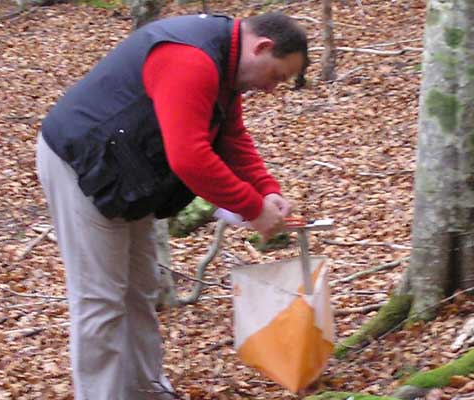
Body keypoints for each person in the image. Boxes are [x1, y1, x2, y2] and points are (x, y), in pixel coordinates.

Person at [34, 11, 309, 400]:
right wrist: (251, 208)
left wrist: (266, 190)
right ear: (262, 47)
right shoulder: (192, 58)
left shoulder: (226, 66)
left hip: (127, 170)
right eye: (277, 76)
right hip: (79, 163)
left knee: (140, 290)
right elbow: (190, 158)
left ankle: (146, 390)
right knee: (101, 298)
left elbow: (232, 136)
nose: (272, 89)